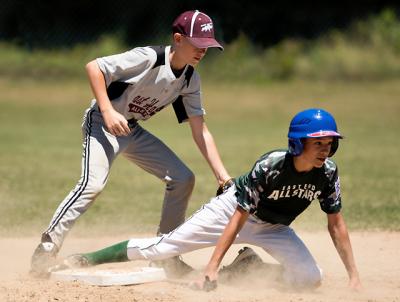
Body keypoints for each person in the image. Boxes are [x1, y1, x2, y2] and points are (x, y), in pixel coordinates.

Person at [59, 108, 362, 291]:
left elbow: (336, 225)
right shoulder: (271, 166)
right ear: (298, 144)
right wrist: (211, 267)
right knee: (163, 247)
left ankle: (246, 267)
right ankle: (88, 258)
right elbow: (239, 216)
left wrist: (353, 277)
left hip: (274, 228)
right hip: (231, 212)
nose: (325, 149)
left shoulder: (328, 174)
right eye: (317, 143)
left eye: (329, 143)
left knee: (310, 278)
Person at [30, 10, 233, 277]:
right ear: (178, 39)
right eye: (197, 44)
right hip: (102, 123)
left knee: (183, 178)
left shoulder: (189, 79)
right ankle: (47, 247)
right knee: (93, 184)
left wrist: (223, 178)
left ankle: (165, 255)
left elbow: (200, 130)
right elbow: (95, 67)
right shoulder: (148, 58)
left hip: (131, 129)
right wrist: (107, 110)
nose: (202, 51)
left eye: (207, 46)